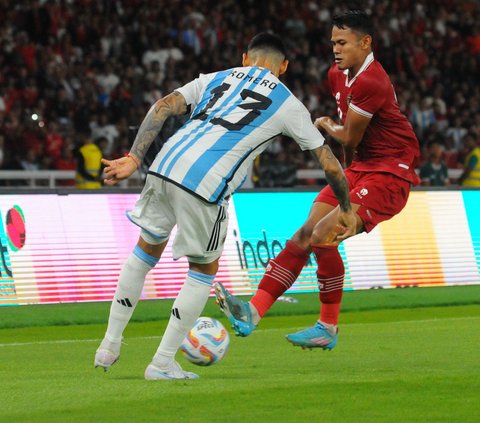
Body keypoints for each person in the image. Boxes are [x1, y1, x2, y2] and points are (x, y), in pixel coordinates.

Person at [94, 32, 356, 380]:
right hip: (205, 182)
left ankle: (108, 346)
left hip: (164, 163)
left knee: (145, 250)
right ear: (284, 67)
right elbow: (330, 165)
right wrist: (347, 208)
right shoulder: (288, 103)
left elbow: (162, 108)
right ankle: (161, 363)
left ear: (246, 58)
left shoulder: (215, 77)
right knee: (203, 270)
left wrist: (133, 157)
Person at [214, 10, 421, 351]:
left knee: (325, 235)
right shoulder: (336, 76)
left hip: (390, 173)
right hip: (360, 169)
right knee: (306, 233)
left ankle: (328, 326)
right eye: (332, 43)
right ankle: (252, 312)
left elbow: (349, 136)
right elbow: (353, 149)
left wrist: (322, 124)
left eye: (342, 42)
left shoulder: (372, 80)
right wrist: (347, 179)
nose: (335, 49)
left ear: (365, 42)